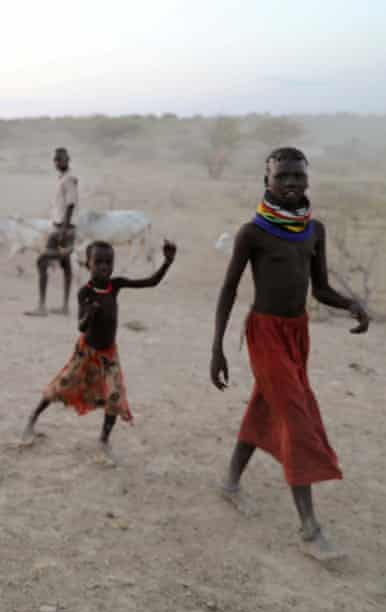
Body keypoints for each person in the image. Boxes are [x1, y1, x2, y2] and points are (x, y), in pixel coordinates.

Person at [210, 147, 369, 562]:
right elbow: (228, 289)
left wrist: (351, 304)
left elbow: (320, 289)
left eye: (298, 176)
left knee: (267, 407)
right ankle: (310, 529)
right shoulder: (253, 233)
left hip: (297, 334)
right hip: (264, 333)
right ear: (267, 182)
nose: (292, 184)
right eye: (283, 177)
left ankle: (229, 483)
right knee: (296, 415)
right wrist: (218, 349)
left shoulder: (313, 230)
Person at [21, 239, 177, 464]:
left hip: (108, 354)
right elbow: (81, 326)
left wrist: (167, 262)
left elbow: (151, 282)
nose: (104, 266)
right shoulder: (85, 292)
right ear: (88, 264)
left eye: (109, 262)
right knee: (61, 386)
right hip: (86, 353)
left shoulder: (116, 285)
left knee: (114, 396)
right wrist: (90, 314)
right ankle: (32, 419)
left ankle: (103, 440)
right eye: (99, 262)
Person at [25, 147, 79, 317]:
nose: (57, 162)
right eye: (55, 160)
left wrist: (63, 229)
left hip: (63, 229)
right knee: (65, 264)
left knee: (42, 262)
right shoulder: (63, 178)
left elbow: (71, 204)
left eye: (60, 159)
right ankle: (64, 306)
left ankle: (42, 306)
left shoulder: (69, 179)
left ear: (67, 159)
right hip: (64, 228)